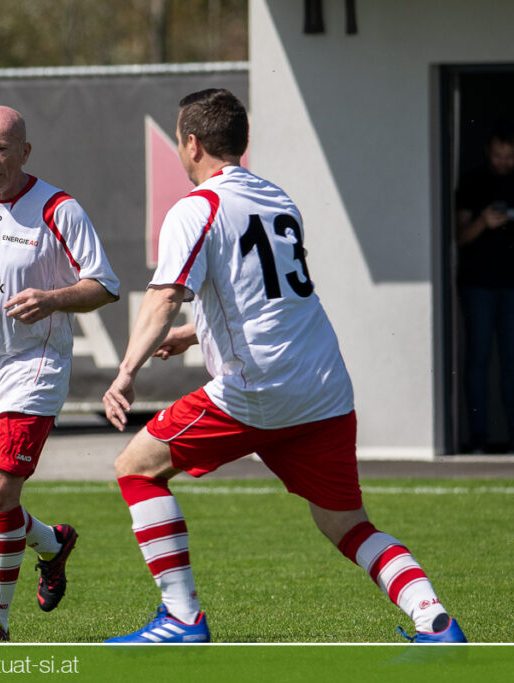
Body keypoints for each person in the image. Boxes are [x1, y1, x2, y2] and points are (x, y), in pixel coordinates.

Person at [101, 89, 465, 644]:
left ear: (192, 143)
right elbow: (268, 297)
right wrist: (193, 334)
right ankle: (434, 620)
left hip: (259, 389)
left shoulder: (197, 207)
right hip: (323, 388)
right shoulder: (276, 198)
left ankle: (181, 618)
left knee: (136, 467)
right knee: (346, 523)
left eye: (178, 139)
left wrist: (127, 370)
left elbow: (165, 295)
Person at [0, 105, 119, 642]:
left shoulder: (57, 209)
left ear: (25, 152)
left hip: (31, 371)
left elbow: (104, 284)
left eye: (2, 148)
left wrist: (53, 298)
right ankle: (52, 543)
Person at [455, 121, 514, 454]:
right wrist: (484, 221)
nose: (503, 162)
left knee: (511, 365)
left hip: (511, 288)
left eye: (509, 156)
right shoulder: (473, 182)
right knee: (477, 361)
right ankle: (478, 441)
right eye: (498, 155)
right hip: (477, 286)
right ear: (488, 151)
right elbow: (459, 237)